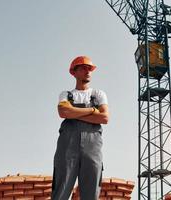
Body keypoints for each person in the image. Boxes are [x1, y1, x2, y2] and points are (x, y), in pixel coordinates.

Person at [51, 56, 109, 200]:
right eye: (83, 68)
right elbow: (63, 112)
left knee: (91, 192)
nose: (87, 71)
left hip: (92, 146)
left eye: (89, 68)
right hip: (68, 145)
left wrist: (73, 113)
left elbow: (104, 118)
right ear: (74, 72)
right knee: (61, 190)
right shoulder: (66, 94)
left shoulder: (98, 94)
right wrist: (92, 111)